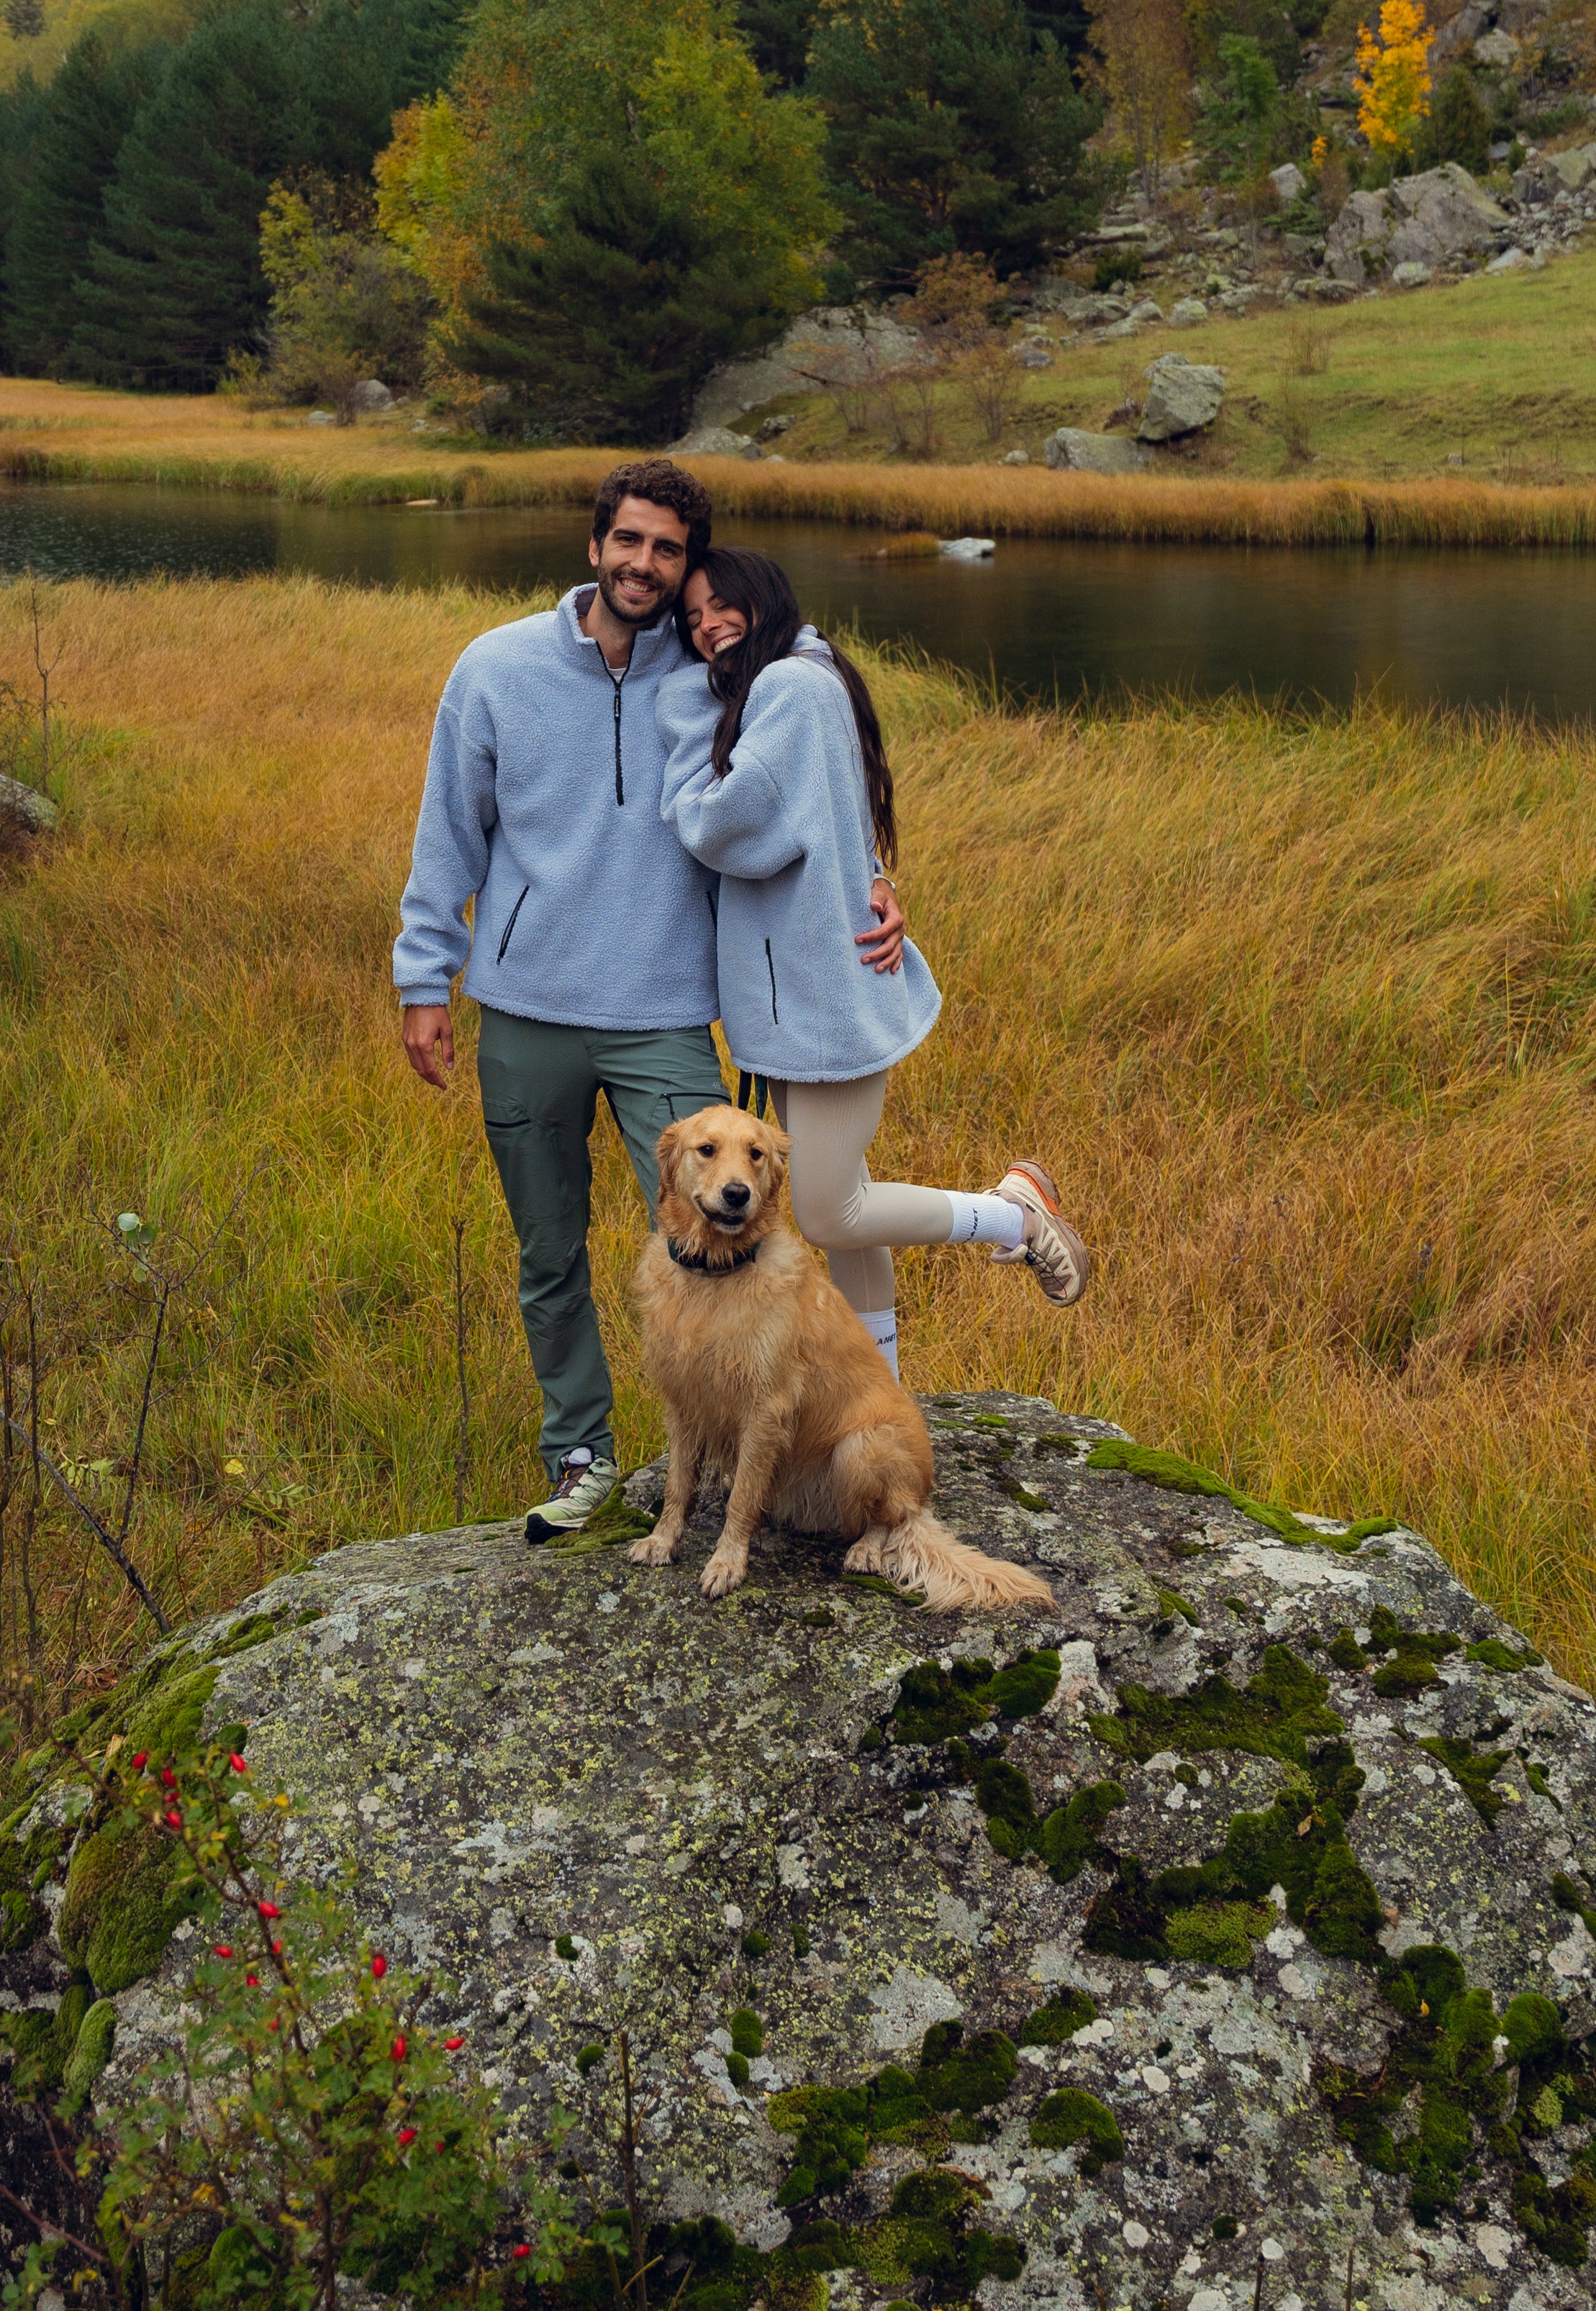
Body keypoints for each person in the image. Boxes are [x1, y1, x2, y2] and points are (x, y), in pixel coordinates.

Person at [394, 460, 907, 1540]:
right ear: (594, 544)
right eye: (628, 540)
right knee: (549, 1250)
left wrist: (874, 878)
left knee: (737, 1236)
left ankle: (768, 1436)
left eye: (667, 550)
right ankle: (580, 1454)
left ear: (685, 569)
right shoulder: (495, 667)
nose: (644, 563)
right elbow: (450, 829)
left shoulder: (718, 667)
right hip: (525, 1007)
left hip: (665, 1012)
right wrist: (421, 975)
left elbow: (824, 720)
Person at [657, 545, 1089, 1374]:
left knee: (827, 1212)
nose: (707, 625)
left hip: (822, 997)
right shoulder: (806, 677)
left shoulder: (784, 687)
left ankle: (1014, 1214)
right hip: (812, 990)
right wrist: (879, 879)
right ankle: (882, 1387)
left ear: (764, 595)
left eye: (720, 605)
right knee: (846, 1205)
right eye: (692, 618)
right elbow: (837, 834)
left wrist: (685, 713)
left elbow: (719, 828)